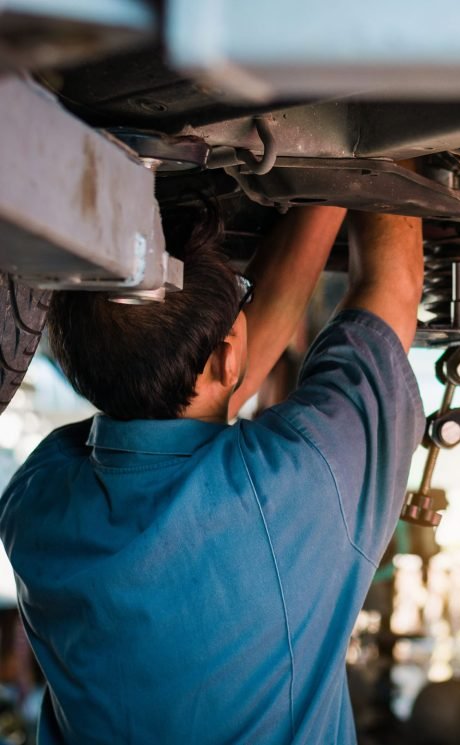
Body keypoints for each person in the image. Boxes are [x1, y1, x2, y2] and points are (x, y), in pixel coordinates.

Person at [0, 205, 425, 744]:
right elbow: (200, 393)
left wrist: (350, 176)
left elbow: (391, 288)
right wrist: (347, 160)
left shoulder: (36, 506)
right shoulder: (36, 500)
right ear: (228, 358)